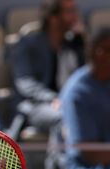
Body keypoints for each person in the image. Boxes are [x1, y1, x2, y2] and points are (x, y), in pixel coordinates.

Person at [9, 0, 85, 138]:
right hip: (36, 106)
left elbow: (83, 79)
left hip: (67, 103)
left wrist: (80, 44)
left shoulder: (72, 46)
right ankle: (62, 160)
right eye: (69, 11)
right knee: (65, 118)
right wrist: (53, 98)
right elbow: (25, 82)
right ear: (53, 18)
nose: (76, 17)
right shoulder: (28, 45)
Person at [60, 27, 110, 169]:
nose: (108, 56)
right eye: (104, 49)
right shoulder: (77, 92)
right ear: (92, 52)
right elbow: (89, 153)